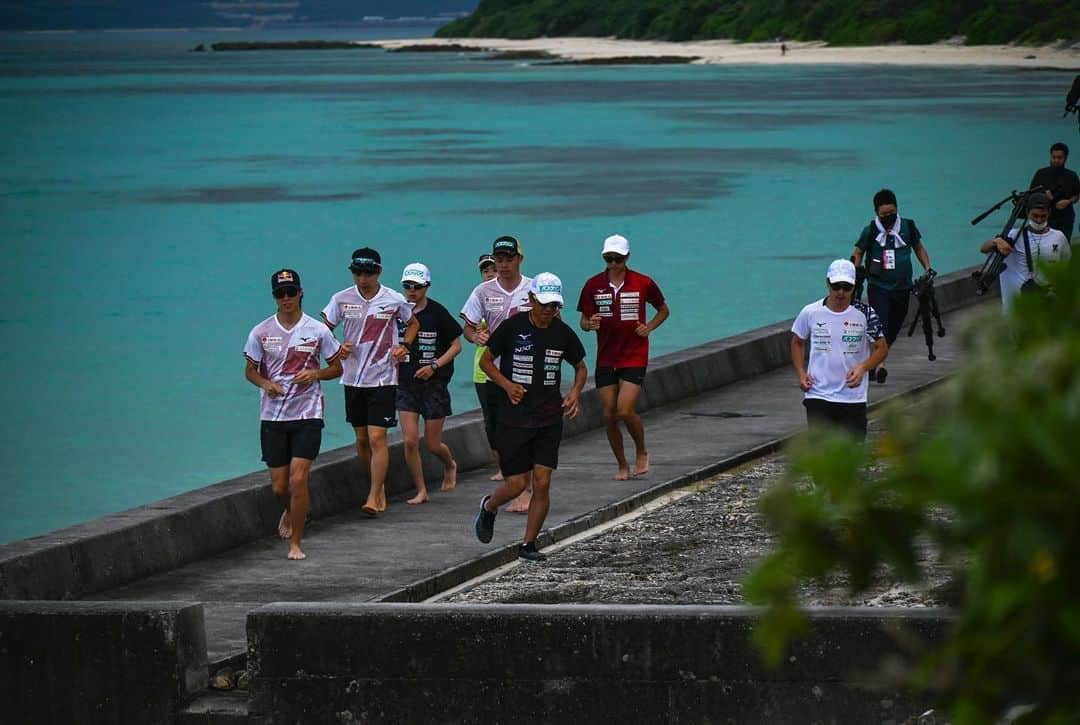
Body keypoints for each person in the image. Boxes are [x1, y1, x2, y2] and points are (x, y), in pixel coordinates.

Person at [473, 273, 587, 562]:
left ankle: (528, 545)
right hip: (515, 417)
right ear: (532, 300)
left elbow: (581, 366)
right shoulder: (513, 328)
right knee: (517, 484)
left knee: (543, 480)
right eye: (545, 304)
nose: (549, 311)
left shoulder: (562, 332)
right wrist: (507, 385)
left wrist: (575, 392)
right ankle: (489, 507)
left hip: (549, 417)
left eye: (555, 306)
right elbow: (486, 361)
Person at [244, 269, 344, 560]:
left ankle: (296, 543)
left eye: (291, 292)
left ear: (300, 293)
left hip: (307, 413)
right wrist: (266, 384)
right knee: (279, 487)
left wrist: (315, 373)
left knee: (298, 481)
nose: (286, 298)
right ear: (274, 297)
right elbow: (250, 371)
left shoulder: (317, 330)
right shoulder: (261, 332)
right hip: (273, 417)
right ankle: (293, 510)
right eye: (280, 294)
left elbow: (337, 367)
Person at [321, 247, 418, 517]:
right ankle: (378, 487)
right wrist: (337, 348)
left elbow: (412, 324)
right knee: (362, 439)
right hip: (352, 377)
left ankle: (374, 495)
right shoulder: (341, 299)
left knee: (377, 437)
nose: (363, 278)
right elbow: (322, 330)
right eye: (358, 273)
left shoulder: (393, 299)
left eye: (369, 273)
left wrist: (405, 347)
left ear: (379, 272)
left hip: (383, 377)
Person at [576, 234, 669, 480]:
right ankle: (621, 464)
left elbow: (663, 309)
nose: (613, 264)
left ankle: (641, 451)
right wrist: (590, 324)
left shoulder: (643, 283)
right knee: (608, 415)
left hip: (634, 355)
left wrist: (649, 327)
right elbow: (583, 321)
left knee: (625, 410)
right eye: (609, 259)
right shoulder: (593, 285)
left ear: (627, 257)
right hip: (606, 357)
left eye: (618, 259)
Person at [461, 235, 534, 512]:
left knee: (524, 433)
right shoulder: (483, 292)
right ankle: (517, 485)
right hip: (493, 373)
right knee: (501, 434)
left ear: (519, 259)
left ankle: (526, 490)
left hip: (527, 374)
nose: (503, 265)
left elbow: (553, 323)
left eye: (508, 259)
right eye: (499, 260)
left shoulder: (533, 289)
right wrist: (475, 336)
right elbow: (468, 327)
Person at [790, 259, 888, 441]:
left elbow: (881, 348)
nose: (841, 292)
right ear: (827, 283)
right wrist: (801, 373)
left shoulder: (865, 313)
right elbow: (797, 342)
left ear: (854, 286)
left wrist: (863, 368)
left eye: (846, 287)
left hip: (852, 397)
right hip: (818, 395)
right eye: (836, 286)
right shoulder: (810, 312)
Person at [396, 262, 463, 504]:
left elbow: (457, 345)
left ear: (427, 286)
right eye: (407, 286)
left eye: (417, 286)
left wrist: (434, 365)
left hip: (434, 385)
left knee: (433, 444)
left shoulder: (438, 313)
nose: (412, 291)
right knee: (410, 440)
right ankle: (421, 490)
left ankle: (450, 464)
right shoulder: (398, 312)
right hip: (405, 384)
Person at [851, 188, 932, 384]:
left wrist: (928, 268)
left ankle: (873, 361)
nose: (888, 217)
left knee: (895, 325)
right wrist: (855, 269)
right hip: (879, 286)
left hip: (903, 286)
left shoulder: (908, 226)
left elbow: (918, 247)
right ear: (876, 213)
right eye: (883, 214)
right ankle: (880, 366)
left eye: (891, 213)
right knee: (881, 323)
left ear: (897, 208)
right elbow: (858, 251)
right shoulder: (870, 230)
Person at [980, 192, 1071, 311]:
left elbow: (1065, 264)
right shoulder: (1014, 235)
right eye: (1035, 215)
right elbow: (983, 249)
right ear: (1027, 213)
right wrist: (996, 241)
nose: (1039, 220)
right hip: (1017, 306)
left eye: (1043, 216)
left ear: (1049, 213)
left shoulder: (1059, 237)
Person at [471, 253, 502, 481]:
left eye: (494, 269)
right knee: (490, 422)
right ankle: (502, 465)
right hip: (482, 372)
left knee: (508, 420)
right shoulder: (478, 298)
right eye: (485, 271)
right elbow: (467, 329)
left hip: (508, 369)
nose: (490, 274)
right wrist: (476, 335)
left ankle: (514, 464)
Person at [1029, 142, 1079, 243]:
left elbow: (1076, 196)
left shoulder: (1072, 175)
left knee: (1063, 245)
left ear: (1065, 158)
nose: (1056, 160)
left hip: (1065, 218)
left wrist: (1068, 201)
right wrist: (1044, 196)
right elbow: (1031, 194)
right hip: (1044, 217)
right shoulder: (1041, 174)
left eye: (1059, 157)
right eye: (1054, 157)